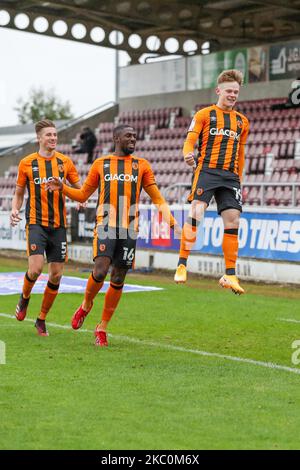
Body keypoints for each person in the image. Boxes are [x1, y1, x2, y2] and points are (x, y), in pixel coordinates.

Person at [46, 124, 181, 347]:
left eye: (135, 136)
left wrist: (173, 223)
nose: (133, 139)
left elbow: (157, 198)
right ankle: (86, 305)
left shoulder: (142, 166)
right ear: (116, 137)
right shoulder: (101, 164)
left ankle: (102, 327)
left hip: (129, 228)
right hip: (106, 224)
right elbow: (82, 195)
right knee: (100, 271)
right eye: (128, 136)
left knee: (118, 278)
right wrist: (63, 187)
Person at [174, 69, 249, 295]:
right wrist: (188, 154)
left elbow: (241, 153)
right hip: (207, 170)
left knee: (233, 220)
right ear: (219, 90)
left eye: (236, 91)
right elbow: (190, 141)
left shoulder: (242, 122)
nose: (233, 95)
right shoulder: (204, 115)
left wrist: (240, 178)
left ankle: (230, 274)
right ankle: (182, 264)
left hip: (230, 176)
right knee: (197, 211)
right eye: (229, 91)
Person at [10, 119, 81, 336]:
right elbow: (20, 193)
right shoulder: (26, 163)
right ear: (39, 138)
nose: (53, 138)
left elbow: (79, 188)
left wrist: (80, 198)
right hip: (36, 223)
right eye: (49, 135)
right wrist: (15, 209)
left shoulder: (65, 162)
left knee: (56, 275)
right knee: (36, 269)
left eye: (55, 134)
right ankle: (24, 299)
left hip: (59, 225)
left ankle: (41, 319)